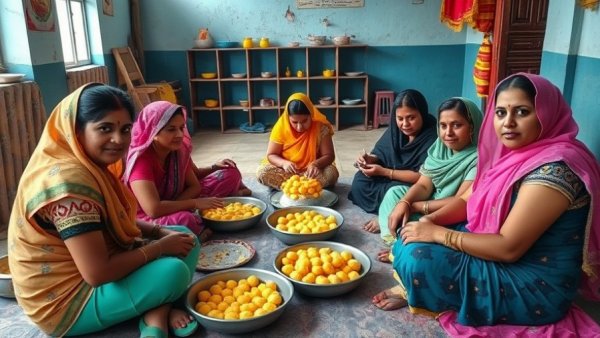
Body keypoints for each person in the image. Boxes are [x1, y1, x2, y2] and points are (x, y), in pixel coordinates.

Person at [372, 73, 600, 334]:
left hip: (532, 279)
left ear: (546, 114)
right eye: (501, 112)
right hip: (502, 249)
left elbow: (508, 248)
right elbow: (467, 203)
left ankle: (418, 287)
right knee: (411, 236)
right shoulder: (511, 156)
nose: (508, 123)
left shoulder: (555, 169)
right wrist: (429, 221)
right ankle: (417, 285)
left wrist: (437, 234)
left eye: (522, 112)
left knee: (418, 257)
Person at [8, 84, 200, 338]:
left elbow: (111, 219)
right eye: (104, 128)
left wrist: (158, 231)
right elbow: (97, 273)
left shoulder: (92, 166)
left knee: (186, 238)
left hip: (96, 269)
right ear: (76, 131)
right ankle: (156, 318)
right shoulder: (67, 186)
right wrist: (159, 247)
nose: (118, 140)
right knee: (172, 272)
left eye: (125, 129)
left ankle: (156, 309)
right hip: (66, 302)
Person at [124, 101, 250, 240]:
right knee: (185, 221)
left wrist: (215, 167)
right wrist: (193, 204)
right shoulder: (142, 161)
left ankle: (201, 216)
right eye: (171, 129)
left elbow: (195, 183)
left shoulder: (178, 150)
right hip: (149, 215)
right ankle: (199, 219)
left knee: (229, 173)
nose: (179, 134)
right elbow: (153, 210)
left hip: (180, 199)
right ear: (153, 131)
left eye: (181, 127)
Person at [374, 97, 482, 261]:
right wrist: (405, 203)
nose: (448, 133)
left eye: (457, 125)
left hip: (450, 212)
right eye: (443, 126)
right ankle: (396, 241)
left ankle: (401, 249)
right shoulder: (440, 148)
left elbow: (458, 201)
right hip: (431, 201)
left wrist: (416, 206)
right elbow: (424, 184)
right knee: (395, 194)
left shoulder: (478, 159)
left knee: (439, 233)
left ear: (473, 126)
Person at [349, 89, 437, 225]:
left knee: (397, 193)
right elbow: (381, 154)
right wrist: (369, 159)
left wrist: (385, 172)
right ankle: (388, 208)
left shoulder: (433, 136)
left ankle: (387, 215)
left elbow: (422, 177)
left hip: (413, 184)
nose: (405, 124)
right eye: (400, 118)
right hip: (389, 176)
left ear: (422, 114)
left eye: (411, 117)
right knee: (360, 180)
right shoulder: (396, 131)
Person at [257, 93, 338, 189]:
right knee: (263, 173)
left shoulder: (320, 128)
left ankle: (293, 188)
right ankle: (306, 188)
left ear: (311, 115)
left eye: (304, 121)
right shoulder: (281, 128)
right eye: (294, 122)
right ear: (288, 118)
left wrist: (315, 164)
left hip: (312, 173)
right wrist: (284, 163)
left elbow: (329, 156)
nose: (299, 127)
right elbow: (271, 155)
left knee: (331, 173)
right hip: (287, 172)